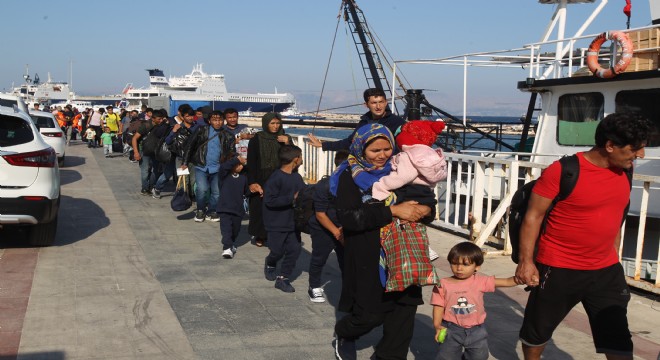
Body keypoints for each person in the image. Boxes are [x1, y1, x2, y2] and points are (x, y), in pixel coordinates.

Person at [515, 113, 654, 360]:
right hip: (559, 268)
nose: (640, 155)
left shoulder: (625, 170)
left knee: (618, 338)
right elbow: (533, 216)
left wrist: (615, 258)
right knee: (537, 331)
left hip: (606, 271)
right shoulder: (563, 171)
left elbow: (615, 216)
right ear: (610, 146)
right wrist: (527, 262)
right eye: (635, 149)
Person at [331, 123, 433, 360]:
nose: (382, 156)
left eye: (387, 149)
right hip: (368, 254)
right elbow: (349, 217)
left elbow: (428, 205)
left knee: (403, 315)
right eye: (374, 151)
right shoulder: (350, 177)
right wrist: (393, 211)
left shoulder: (404, 169)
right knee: (370, 314)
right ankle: (344, 333)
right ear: (360, 149)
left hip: (404, 252)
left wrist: (425, 210)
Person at [432, 242, 520, 360]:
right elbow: (438, 305)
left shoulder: (481, 281)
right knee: (446, 357)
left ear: (477, 267)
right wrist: (437, 325)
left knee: (480, 357)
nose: (459, 268)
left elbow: (507, 282)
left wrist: (522, 278)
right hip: (451, 329)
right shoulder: (443, 284)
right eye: (454, 263)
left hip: (477, 330)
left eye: (466, 264)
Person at [307, 150, 349, 303]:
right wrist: (337, 233)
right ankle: (314, 286)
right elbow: (320, 214)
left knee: (347, 260)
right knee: (319, 257)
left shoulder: (354, 186)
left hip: (344, 227)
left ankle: (349, 288)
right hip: (322, 228)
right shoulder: (324, 185)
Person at [262, 145, 306, 293]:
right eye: (300, 156)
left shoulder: (297, 177)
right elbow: (269, 200)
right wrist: (291, 199)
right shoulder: (276, 178)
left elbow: (302, 193)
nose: (301, 160)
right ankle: (271, 262)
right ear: (295, 159)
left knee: (294, 250)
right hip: (276, 223)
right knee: (277, 251)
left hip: (293, 223)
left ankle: (283, 278)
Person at [372, 120, 447, 203]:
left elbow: (401, 178)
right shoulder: (429, 154)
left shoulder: (409, 156)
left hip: (409, 192)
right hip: (425, 193)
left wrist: (380, 186)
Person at [307, 88, 406, 151]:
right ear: (366, 105)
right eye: (374, 103)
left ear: (386, 103)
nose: (378, 106)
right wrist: (323, 145)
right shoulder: (364, 122)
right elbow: (350, 142)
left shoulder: (397, 123)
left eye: (381, 102)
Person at [247, 112, 292, 247]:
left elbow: (293, 157)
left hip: (280, 177)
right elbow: (251, 162)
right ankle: (260, 235)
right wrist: (252, 181)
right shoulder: (257, 139)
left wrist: (288, 143)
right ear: (266, 123)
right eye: (272, 123)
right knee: (259, 207)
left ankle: (276, 235)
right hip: (261, 177)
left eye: (278, 123)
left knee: (279, 207)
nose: (275, 126)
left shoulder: (285, 138)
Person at [181, 110, 234, 222]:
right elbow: (190, 145)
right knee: (202, 189)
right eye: (214, 120)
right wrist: (185, 162)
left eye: (220, 120)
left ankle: (212, 211)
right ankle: (200, 210)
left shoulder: (228, 135)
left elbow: (231, 152)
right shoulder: (201, 130)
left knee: (217, 192)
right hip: (201, 166)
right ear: (209, 121)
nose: (218, 122)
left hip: (218, 168)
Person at [216, 153, 249, 259]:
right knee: (226, 229)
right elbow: (224, 167)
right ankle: (226, 247)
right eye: (238, 164)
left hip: (237, 210)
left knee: (235, 230)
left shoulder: (243, 178)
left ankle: (231, 244)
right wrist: (236, 159)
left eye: (241, 164)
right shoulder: (224, 176)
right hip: (224, 208)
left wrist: (255, 190)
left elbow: (247, 192)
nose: (241, 166)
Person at [133, 110, 165, 195]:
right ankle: (144, 188)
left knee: (157, 171)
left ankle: (151, 186)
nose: (161, 121)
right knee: (145, 171)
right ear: (153, 118)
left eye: (162, 119)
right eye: (159, 119)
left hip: (156, 152)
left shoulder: (162, 126)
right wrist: (136, 152)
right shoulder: (145, 125)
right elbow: (134, 138)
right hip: (145, 151)